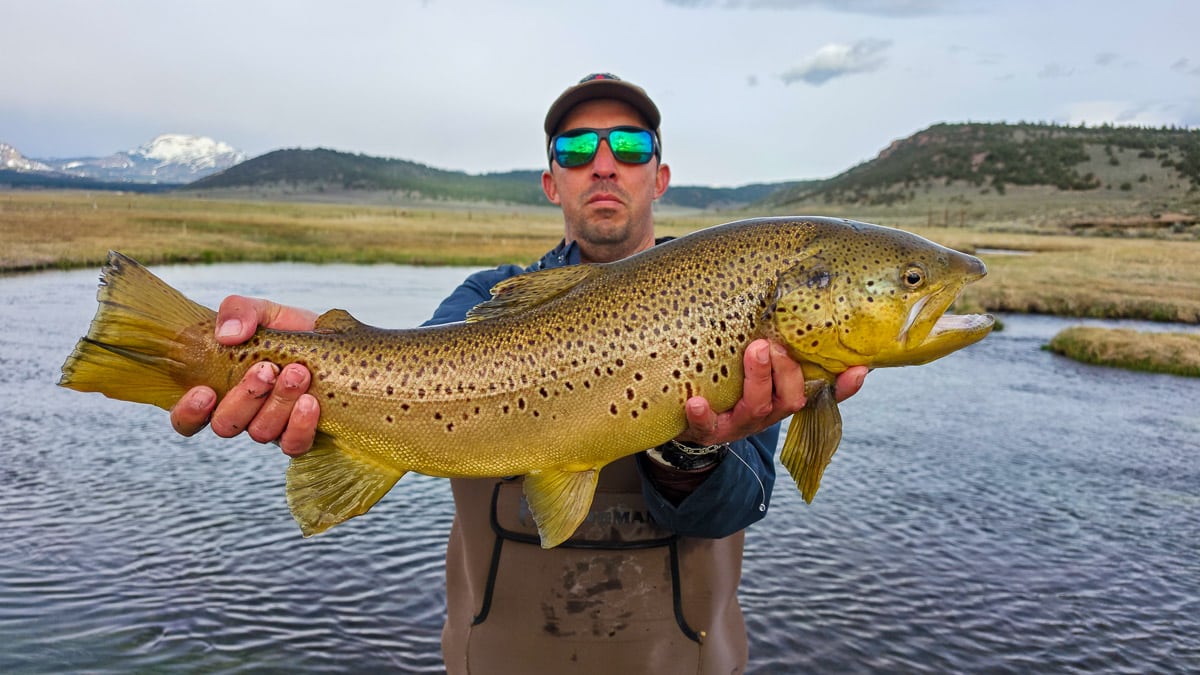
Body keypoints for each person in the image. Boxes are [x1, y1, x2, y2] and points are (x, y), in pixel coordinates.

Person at [170, 73, 867, 674]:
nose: (602, 164)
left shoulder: (735, 298)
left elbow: (734, 508)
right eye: (574, 148)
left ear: (659, 176)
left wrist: (693, 448)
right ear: (549, 181)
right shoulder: (485, 300)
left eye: (627, 146)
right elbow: (406, 365)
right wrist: (303, 352)